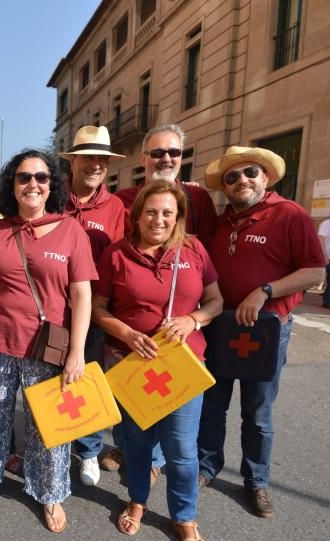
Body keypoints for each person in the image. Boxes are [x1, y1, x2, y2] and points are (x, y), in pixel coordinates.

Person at [0, 149, 96, 535]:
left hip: (48, 349)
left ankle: (49, 492)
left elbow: (82, 296)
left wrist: (77, 354)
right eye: (23, 177)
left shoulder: (71, 230)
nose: (32, 184)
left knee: (49, 426)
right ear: (12, 185)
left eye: (41, 177)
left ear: (52, 184)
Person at [92, 180, 223, 541]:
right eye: (151, 211)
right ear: (138, 215)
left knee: (181, 449)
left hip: (184, 368)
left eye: (168, 212)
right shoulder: (117, 255)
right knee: (137, 443)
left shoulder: (194, 250)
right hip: (131, 366)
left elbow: (215, 300)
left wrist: (193, 321)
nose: (159, 219)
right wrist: (128, 334)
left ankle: (185, 516)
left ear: (179, 216)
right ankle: (137, 499)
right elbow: (99, 310)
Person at [197, 146, 326, 518]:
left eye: (250, 173)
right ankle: (207, 469)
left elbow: (315, 271)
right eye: (232, 177)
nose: (242, 181)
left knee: (257, 412)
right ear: (224, 187)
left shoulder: (289, 214)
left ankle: (256, 482)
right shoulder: (221, 223)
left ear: (265, 177)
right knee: (212, 405)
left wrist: (266, 290)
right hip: (221, 328)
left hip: (266, 331)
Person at [107, 123, 219, 475]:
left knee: (168, 404)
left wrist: (196, 317)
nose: (166, 158)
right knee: (128, 398)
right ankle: (131, 452)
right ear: (144, 158)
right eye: (158, 152)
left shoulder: (198, 199)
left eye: (173, 152)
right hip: (128, 316)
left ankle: (153, 461)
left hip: (180, 329)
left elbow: (207, 259)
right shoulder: (122, 199)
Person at [59, 126, 127, 487]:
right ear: (72, 161)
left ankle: (87, 451)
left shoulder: (116, 207)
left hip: (94, 312)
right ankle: (51, 442)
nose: (96, 165)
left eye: (102, 159)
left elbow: (121, 258)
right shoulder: (53, 197)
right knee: (50, 379)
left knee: (87, 380)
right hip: (52, 309)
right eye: (89, 157)